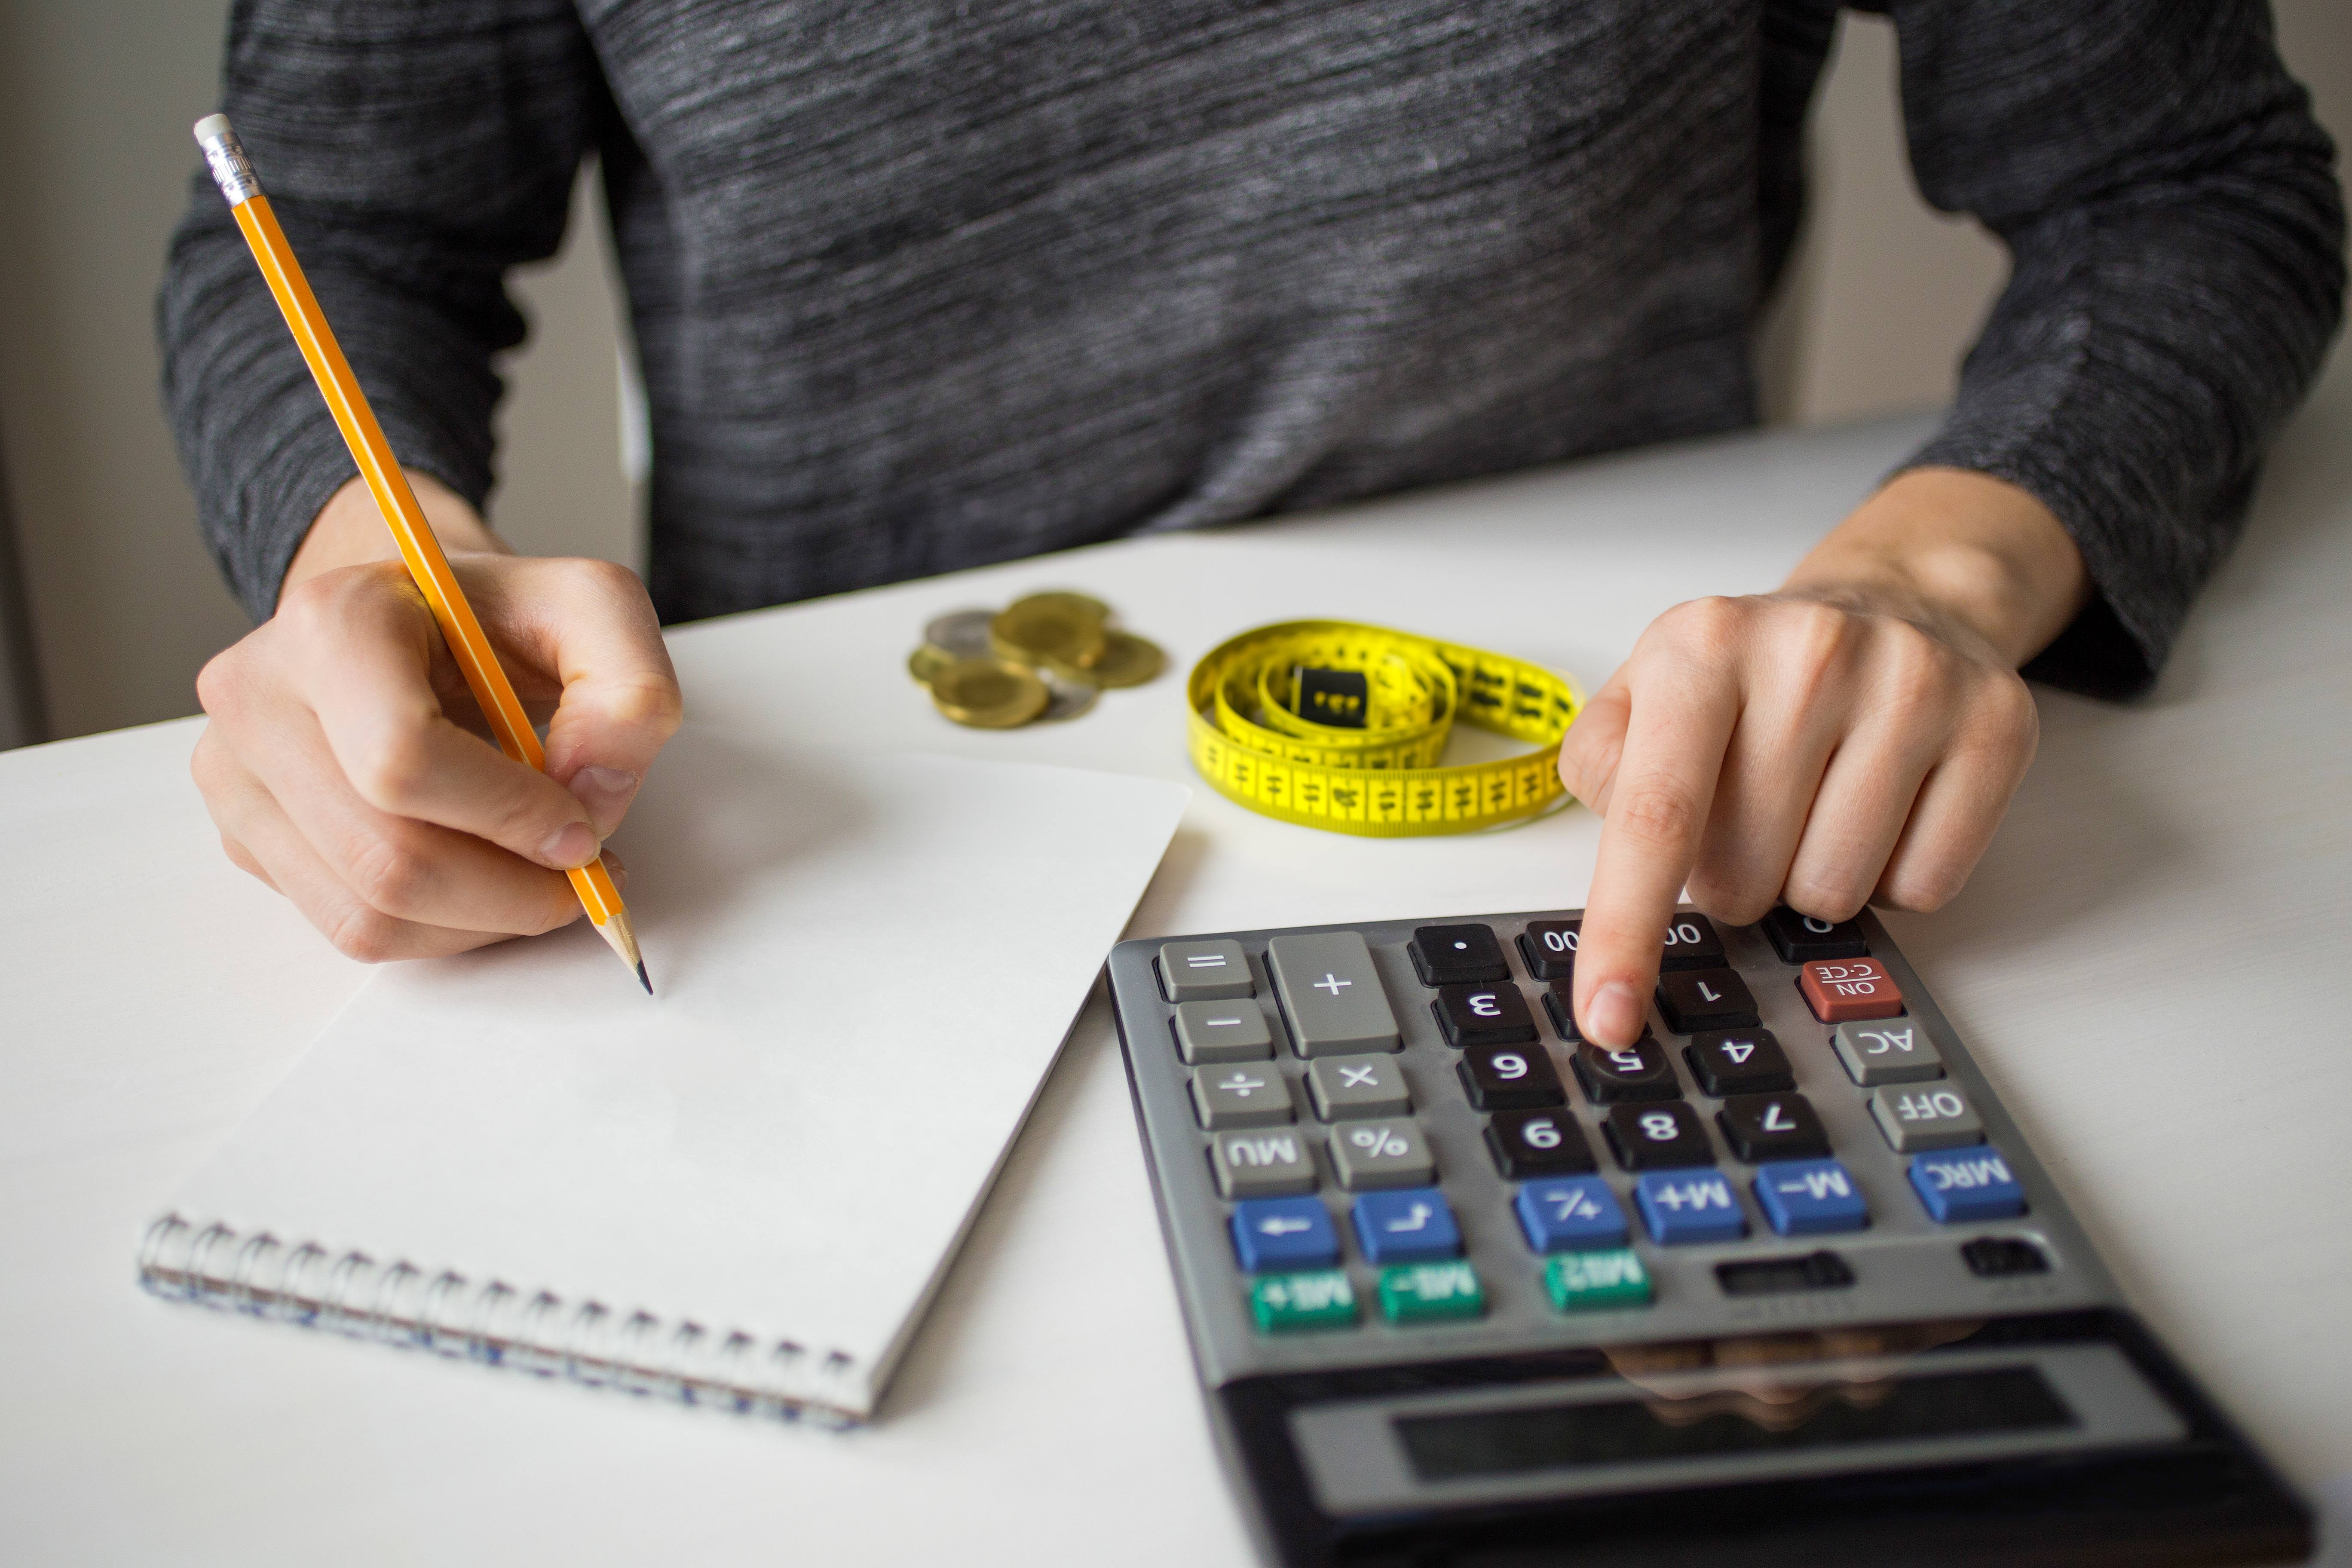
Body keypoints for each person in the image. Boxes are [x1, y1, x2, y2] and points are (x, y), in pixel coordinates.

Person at [159, 1, 2343, 1048]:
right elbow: (335, 212)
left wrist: (1934, 573)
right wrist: (368, 554)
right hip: (800, 832)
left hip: (1617, 795)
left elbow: (2182, 179)